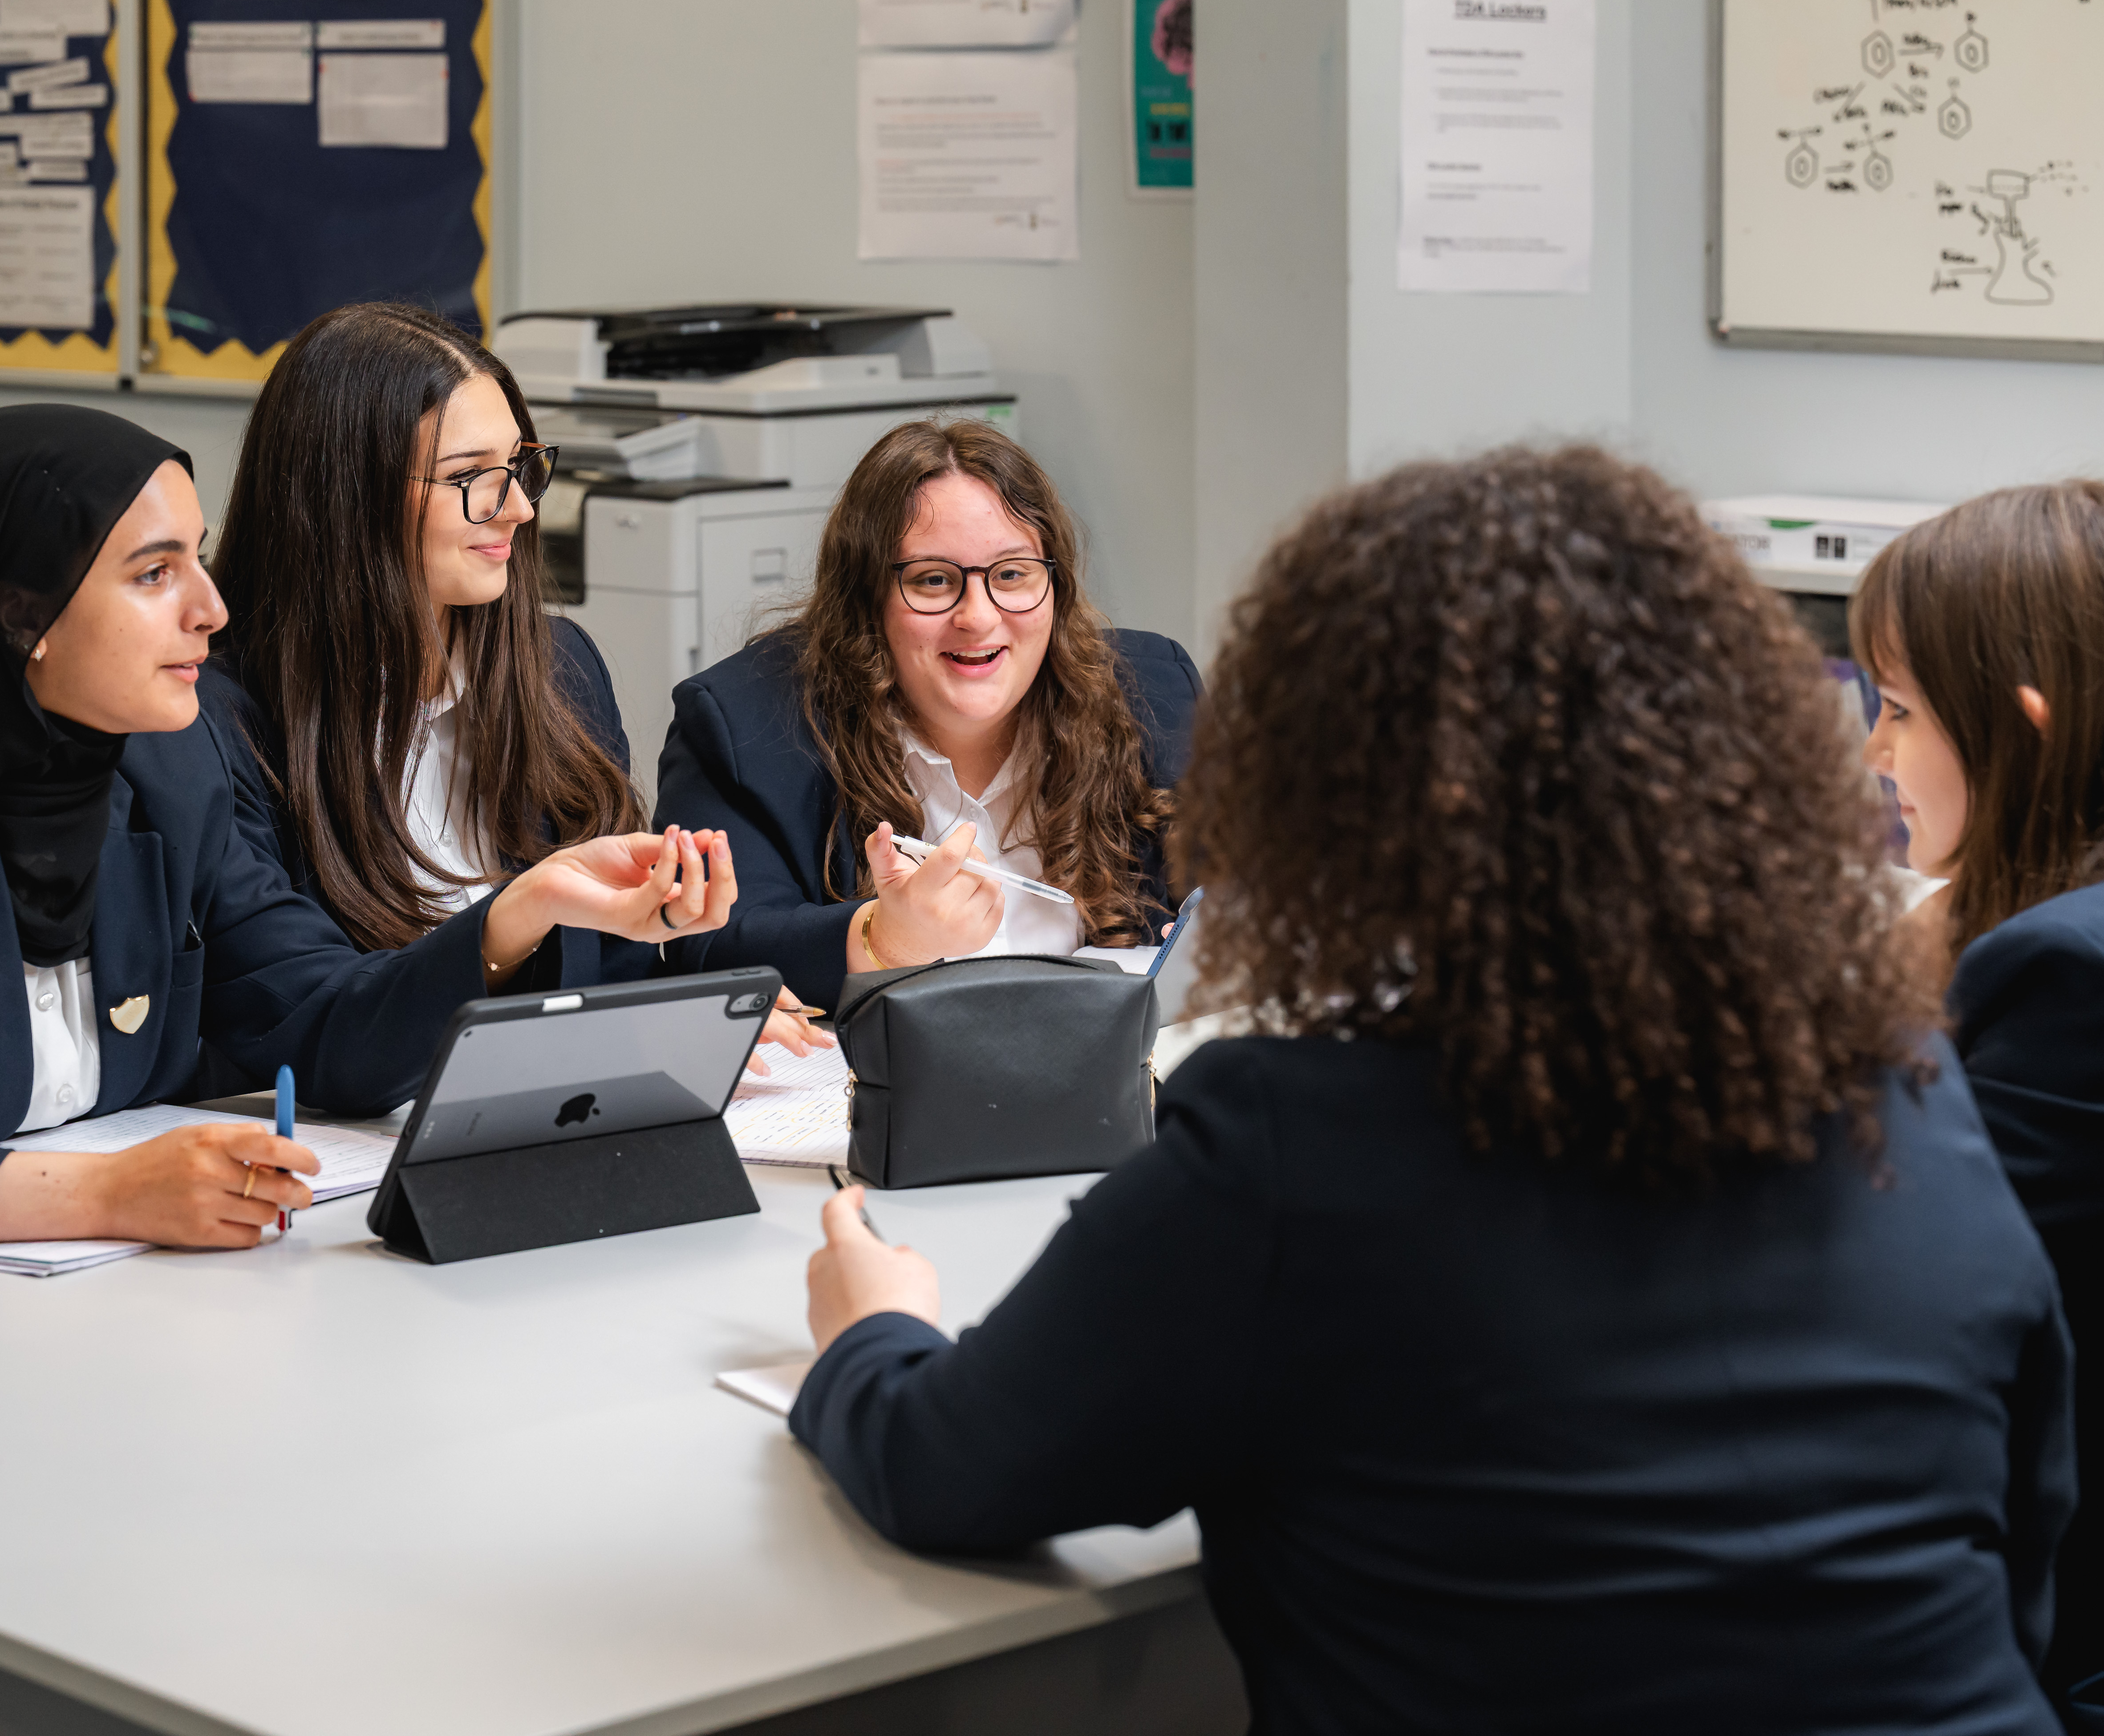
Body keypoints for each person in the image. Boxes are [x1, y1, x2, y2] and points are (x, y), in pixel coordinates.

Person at [790, 447, 2074, 1732]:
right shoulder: (1911, 1097)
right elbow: (2024, 1572)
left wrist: (870, 1329)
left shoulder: (1295, 1143)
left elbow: (947, 1467)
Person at [0, 405, 724, 1260]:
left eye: (199, 560)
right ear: (23, 617)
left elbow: (320, 1027)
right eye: (155, 573)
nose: (211, 609)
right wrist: (103, 1196)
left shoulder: (165, 776)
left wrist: (522, 910)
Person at [201, 301, 823, 1061]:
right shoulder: (215, 726)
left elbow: (608, 969)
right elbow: (307, 1030)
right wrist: (520, 914)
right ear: (344, 496)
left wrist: (670, 1012)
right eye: (470, 477)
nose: (521, 509)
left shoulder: (558, 668)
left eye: (520, 467)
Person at [654, 419, 1199, 1011]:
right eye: (933, 580)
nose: (979, 617)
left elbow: (1238, 884)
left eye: (1011, 574)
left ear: (1056, 588)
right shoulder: (742, 721)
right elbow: (706, 944)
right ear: (865, 599)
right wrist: (883, 940)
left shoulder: (1153, 690)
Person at [1854, 479, 2104, 1708]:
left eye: (1899, 710)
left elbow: (1904, 1286)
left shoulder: (2061, 974)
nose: (1875, 752)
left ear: (2026, 724)